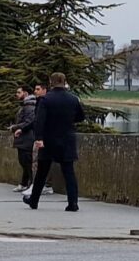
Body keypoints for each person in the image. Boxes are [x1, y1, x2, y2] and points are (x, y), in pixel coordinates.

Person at [24, 72, 84, 211]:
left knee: (42, 172)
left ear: (51, 82)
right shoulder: (73, 99)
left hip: (49, 139)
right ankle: (73, 203)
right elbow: (80, 117)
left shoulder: (46, 100)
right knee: (69, 172)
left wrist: (39, 138)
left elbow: (39, 121)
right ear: (65, 82)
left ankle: (34, 200)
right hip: (67, 138)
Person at [21, 83, 52, 197]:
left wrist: (39, 137)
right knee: (37, 162)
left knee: (38, 162)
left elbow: (38, 121)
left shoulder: (44, 102)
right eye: (35, 89)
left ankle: (41, 185)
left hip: (42, 137)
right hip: (40, 136)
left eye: (38, 89)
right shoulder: (39, 102)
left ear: (44, 90)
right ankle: (39, 185)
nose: (35, 91)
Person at [9, 85, 37, 191]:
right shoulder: (26, 105)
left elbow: (29, 121)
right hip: (25, 138)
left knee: (26, 162)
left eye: (18, 92)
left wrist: (17, 127)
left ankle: (30, 184)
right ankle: (24, 183)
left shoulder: (29, 106)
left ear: (25, 93)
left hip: (27, 138)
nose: (17, 95)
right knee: (24, 161)